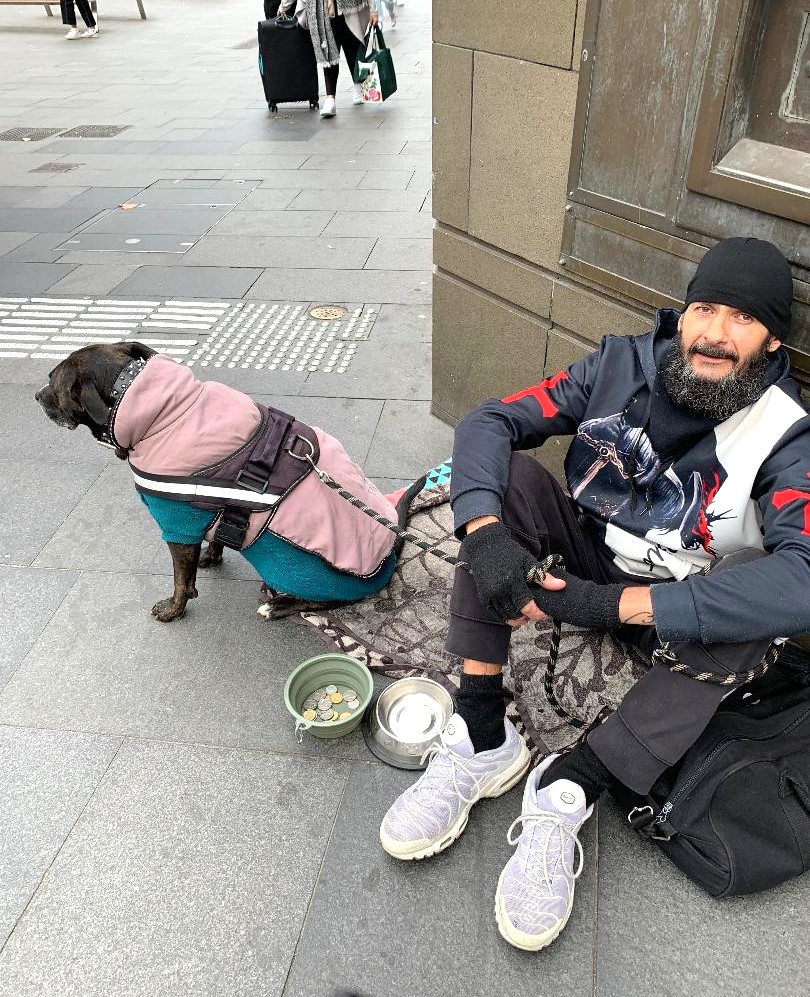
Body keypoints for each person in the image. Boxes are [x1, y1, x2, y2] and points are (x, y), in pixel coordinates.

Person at [379, 237, 810, 951]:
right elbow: (491, 420)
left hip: (678, 607)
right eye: (705, 308)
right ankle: (484, 730)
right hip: (584, 554)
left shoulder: (788, 436)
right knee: (504, 485)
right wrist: (484, 533)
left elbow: (803, 574)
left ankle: (571, 785)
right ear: (683, 314)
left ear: (771, 341)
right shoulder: (617, 365)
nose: (714, 333)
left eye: (741, 318)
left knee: (756, 611)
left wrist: (614, 608)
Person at [280, 0, 379, 118]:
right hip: (323, 11)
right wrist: (284, 6)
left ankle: (358, 86)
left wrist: (373, 11)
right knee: (328, 52)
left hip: (349, 9)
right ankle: (330, 98)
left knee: (352, 47)